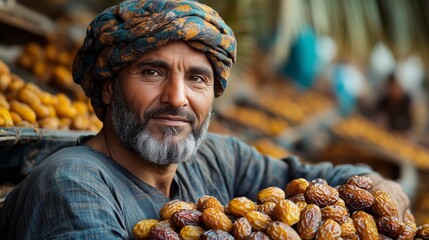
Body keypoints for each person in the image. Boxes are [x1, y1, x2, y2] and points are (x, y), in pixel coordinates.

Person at [0, 0, 410, 238]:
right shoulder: (72, 186)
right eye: (152, 72)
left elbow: (349, 180)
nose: (176, 98)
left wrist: (386, 194)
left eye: (197, 78)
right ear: (108, 87)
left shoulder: (217, 159)